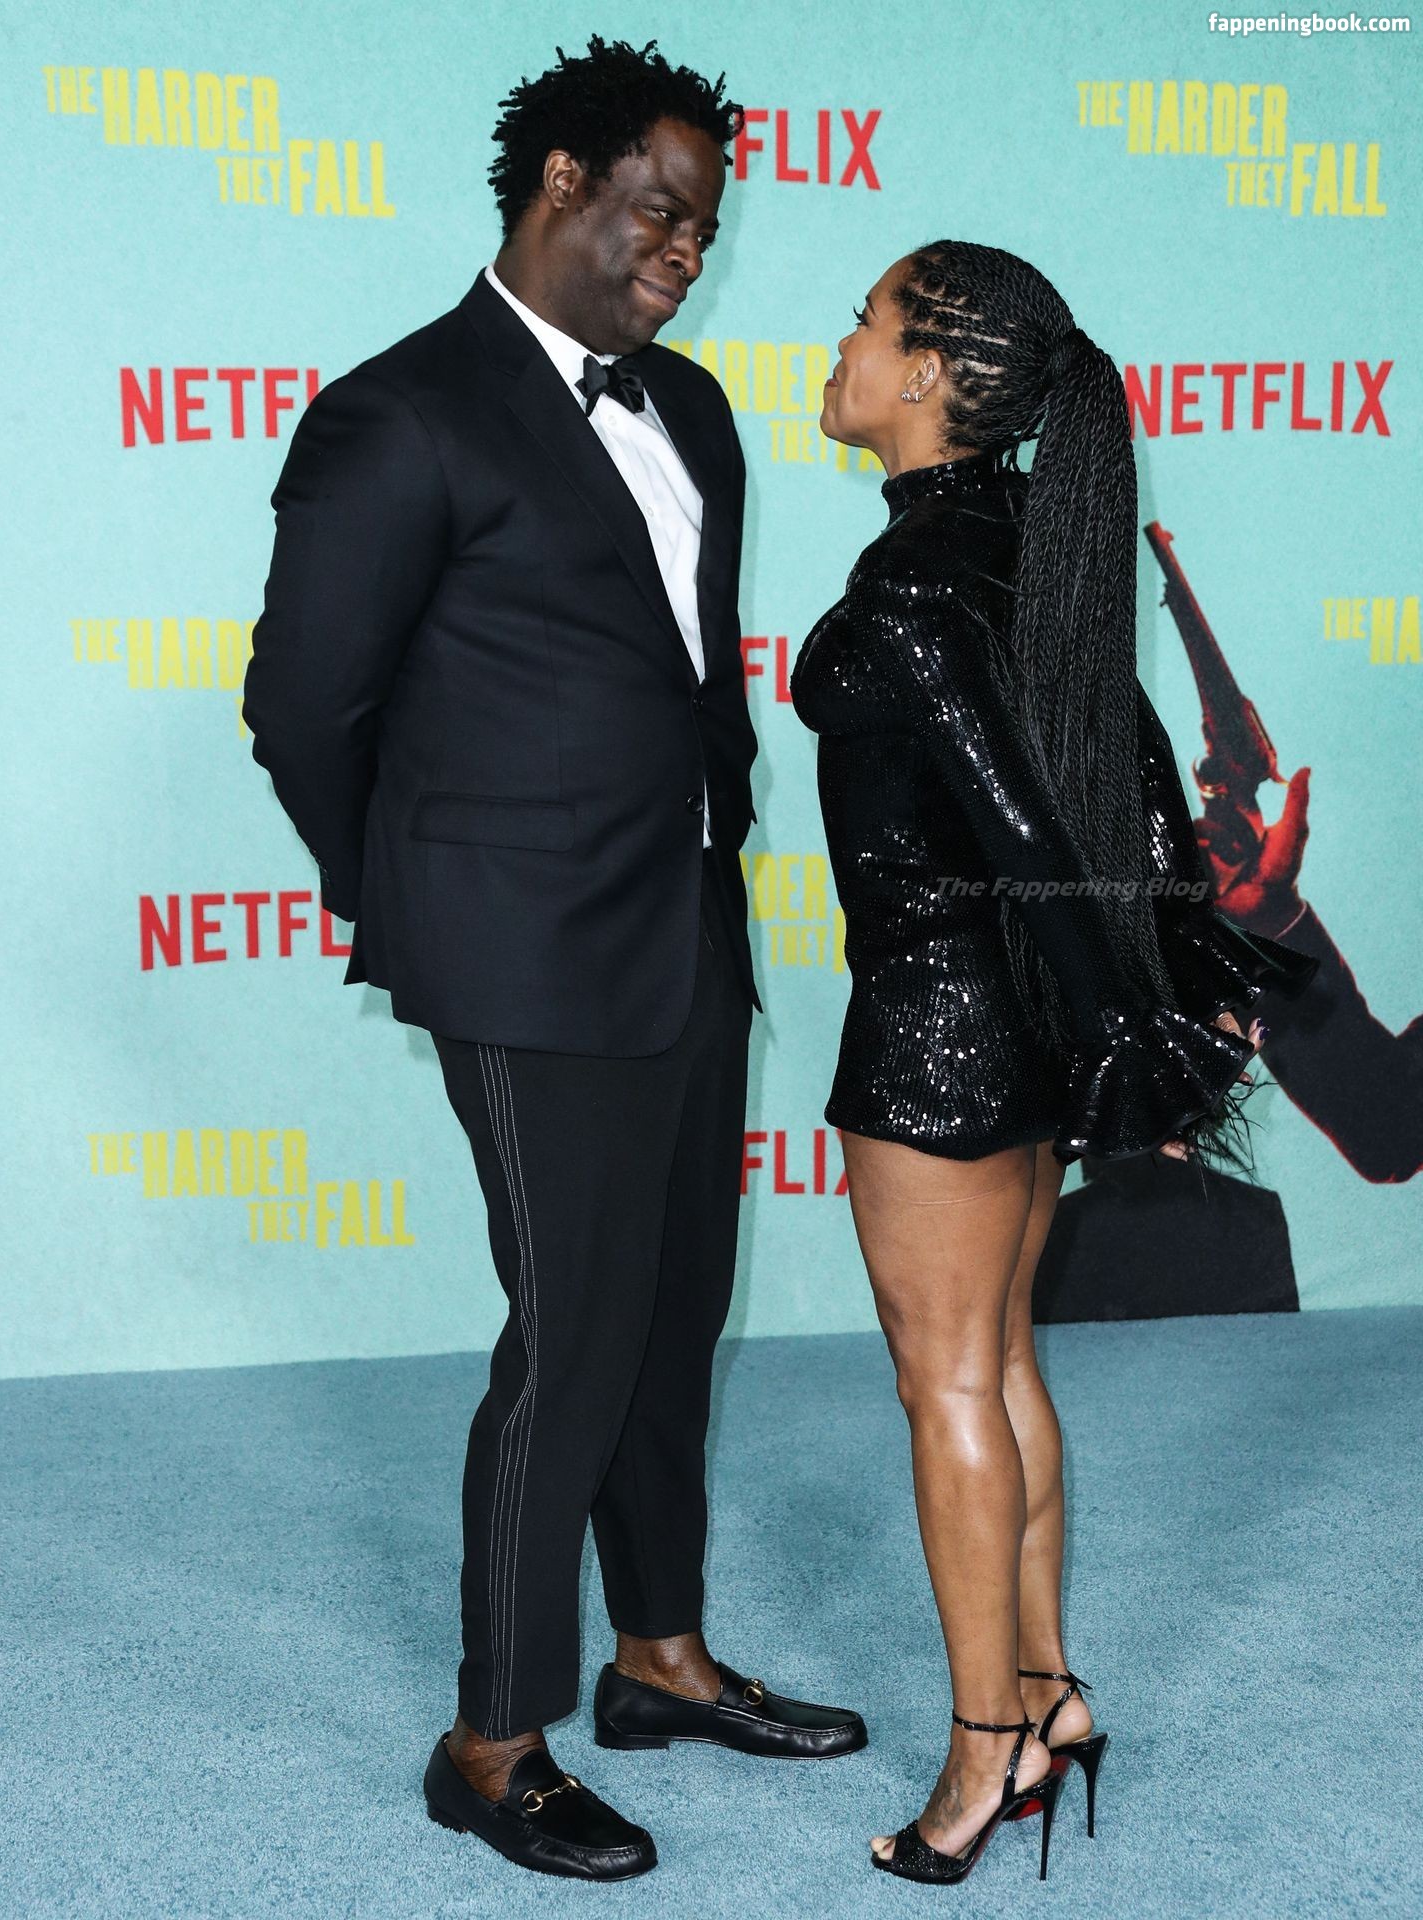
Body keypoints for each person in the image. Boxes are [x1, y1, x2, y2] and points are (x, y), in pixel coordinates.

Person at [243, 36, 864, 1887]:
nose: (686, 249)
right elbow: (303, 709)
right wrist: (428, 899)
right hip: (521, 955)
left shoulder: (696, 410)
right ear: (562, 184)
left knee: (674, 1315)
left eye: (708, 227)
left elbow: (688, 671)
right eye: (661, 211)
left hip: (683, 924)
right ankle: (493, 1740)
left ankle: (659, 1660)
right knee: (573, 1336)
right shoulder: (401, 413)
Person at [789, 241, 1317, 1887]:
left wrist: (1131, 1027)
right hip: (1010, 1023)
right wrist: (1136, 1000)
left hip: (939, 1032)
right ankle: (1045, 1695)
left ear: (929, 375)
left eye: (867, 323)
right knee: (1002, 1361)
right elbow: (1128, 784)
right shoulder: (1029, 540)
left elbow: (1029, 826)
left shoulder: (915, 584)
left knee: (949, 1382)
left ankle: (985, 1750)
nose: (841, 349)